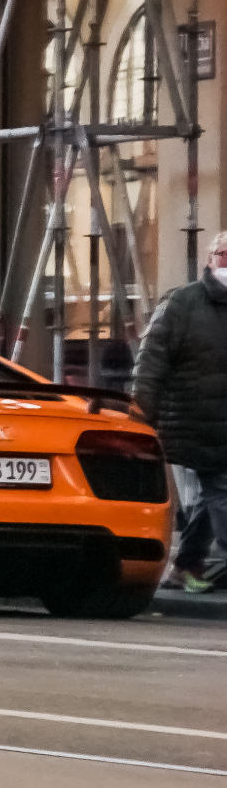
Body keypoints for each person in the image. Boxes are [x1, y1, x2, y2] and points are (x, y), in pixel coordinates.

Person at [131, 229, 227, 595]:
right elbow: (150, 363)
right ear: (210, 258)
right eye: (225, 256)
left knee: (209, 496)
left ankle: (185, 564)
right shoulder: (183, 303)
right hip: (193, 422)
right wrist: (142, 415)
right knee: (220, 490)